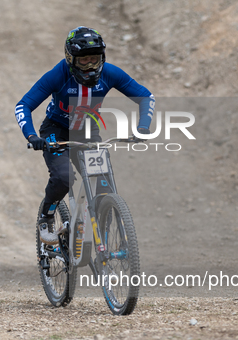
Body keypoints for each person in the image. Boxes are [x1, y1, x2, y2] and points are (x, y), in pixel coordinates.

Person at [14, 26, 154, 245]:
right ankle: (46, 216)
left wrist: (143, 127)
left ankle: (101, 237)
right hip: (56, 130)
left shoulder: (110, 73)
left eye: (94, 60)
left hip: (88, 131)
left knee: (104, 183)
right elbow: (23, 106)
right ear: (71, 59)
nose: (90, 66)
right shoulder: (57, 75)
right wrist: (32, 136)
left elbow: (146, 97)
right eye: (83, 61)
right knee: (64, 177)